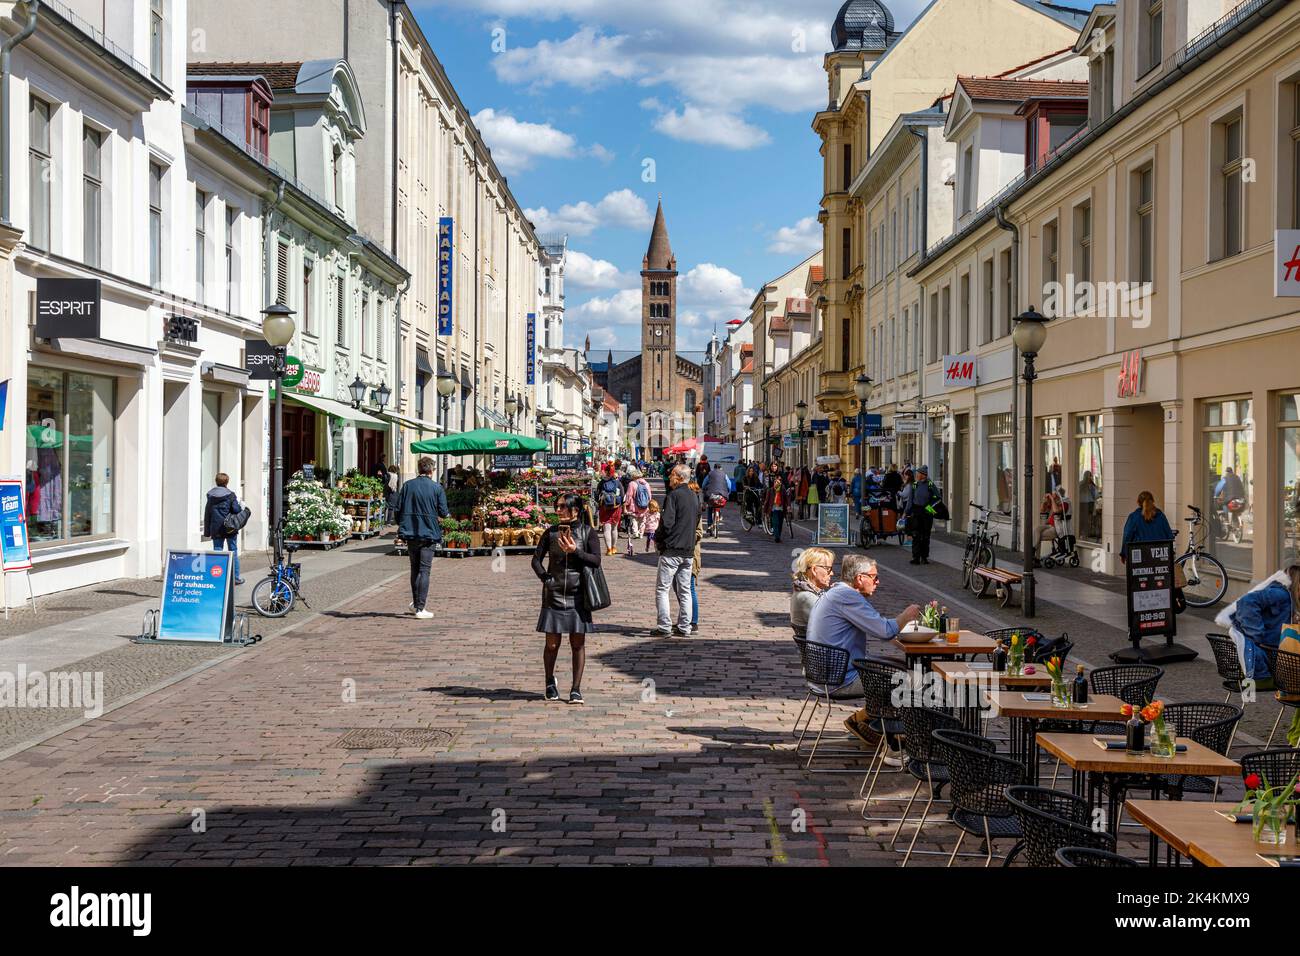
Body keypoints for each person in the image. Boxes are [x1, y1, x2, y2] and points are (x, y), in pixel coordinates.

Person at [805, 554, 921, 746]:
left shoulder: (837, 593)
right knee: (912, 683)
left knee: (895, 671)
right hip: (838, 679)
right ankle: (894, 748)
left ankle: (862, 720)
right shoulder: (847, 596)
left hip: (825, 674)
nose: (878, 581)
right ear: (860, 578)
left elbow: (877, 627)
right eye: (874, 577)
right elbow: (884, 630)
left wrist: (902, 644)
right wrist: (906, 616)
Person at [531, 494, 603, 704]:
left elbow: (596, 561)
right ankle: (549, 683)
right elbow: (536, 560)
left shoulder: (587, 532)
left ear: (575, 510)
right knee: (552, 644)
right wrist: (545, 578)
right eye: (557, 506)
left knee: (577, 643)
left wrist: (576, 551)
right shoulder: (551, 532)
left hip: (578, 594)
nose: (558, 510)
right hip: (553, 595)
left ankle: (576, 689)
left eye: (562, 506)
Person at [394, 456, 450, 619]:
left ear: (419, 469)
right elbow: (443, 511)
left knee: (414, 568)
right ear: (431, 470)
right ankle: (420, 607)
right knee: (424, 570)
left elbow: (397, 510)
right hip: (429, 533)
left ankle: (416, 603)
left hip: (411, 532)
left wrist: (403, 525)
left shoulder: (407, 486)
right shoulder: (436, 488)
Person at [1230, 565, 1300, 683]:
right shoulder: (1281, 594)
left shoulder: (1290, 600)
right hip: (1267, 657)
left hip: (1273, 655)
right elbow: (1246, 601)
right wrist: (1256, 634)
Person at [654, 464, 700, 636]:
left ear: (679, 477)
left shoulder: (673, 495)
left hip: (672, 549)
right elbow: (696, 522)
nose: (670, 476)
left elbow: (666, 523)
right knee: (685, 590)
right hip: (688, 550)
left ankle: (664, 627)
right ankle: (684, 626)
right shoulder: (695, 497)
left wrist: (658, 540)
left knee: (662, 589)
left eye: (672, 474)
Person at [203, 472, 246, 585]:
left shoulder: (210, 496)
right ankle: (236, 578)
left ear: (216, 481)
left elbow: (207, 514)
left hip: (216, 528)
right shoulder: (231, 495)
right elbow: (236, 510)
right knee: (233, 551)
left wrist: (207, 531)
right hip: (230, 528)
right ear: (227, 482)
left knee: (217, 551)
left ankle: (217, 578)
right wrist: (241, 506)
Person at [791, 547, 835, 638]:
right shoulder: (807, 597)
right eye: (828, 569)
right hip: (826, 648)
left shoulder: (808, 591)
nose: (832, 573)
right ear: (814, 570)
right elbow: (832, 625)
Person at [1120, 491, 1175, 561]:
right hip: (1160, 555)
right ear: (1153, 501)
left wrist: (1124, 553)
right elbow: (1169, 535)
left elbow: (1127, 536)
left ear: (1138, 503)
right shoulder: (1160, 515)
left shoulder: (1134, 517)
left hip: (1141, 555)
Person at [906, 465, 940, 564]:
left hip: (927, 510)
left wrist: (930, 508)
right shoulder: (915, 485)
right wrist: (906, 511)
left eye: (918, 473)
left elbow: (937, 497)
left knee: (925, 535)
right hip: (916, 510)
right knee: (916, 534)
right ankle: (916, 557)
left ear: (923, 475)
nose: (916, 475)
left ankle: (924, 557)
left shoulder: (930, 484)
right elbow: (910, 499)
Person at [594, 463, 624, 556]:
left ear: (606, 471)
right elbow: (622, 494)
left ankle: (609, 549)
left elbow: (596, 494)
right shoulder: (617, 482)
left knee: (606, 529)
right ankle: (614, 547)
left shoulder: (602, 482)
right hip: (616, 507)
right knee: (614, 529)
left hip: (605, 507)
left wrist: (599, 502)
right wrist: (620, 504)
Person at [1034, 486, 1068, 562]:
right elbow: (1042, 510)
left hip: (1057, 528)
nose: (1052, 495)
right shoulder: (1054, 502)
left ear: (1058, 495)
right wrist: (1044, 500)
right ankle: (1033, 552)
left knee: (1037, 536)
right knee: (1036, 529)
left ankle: (1035, 557)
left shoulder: (1064, 504)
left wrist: (1052, 499)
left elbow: (1056, 510)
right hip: (1049, 525)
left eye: (1054, 494)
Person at [624, 467, 652, 542]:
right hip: (645, 505)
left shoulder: (632, 484)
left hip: (634, 506)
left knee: (634, 520)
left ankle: (635, 533)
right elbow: (649, 495)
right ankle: (641, 533)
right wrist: (648, 503)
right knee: (643, 520)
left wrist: (626, 505)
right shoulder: (646, 484)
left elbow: (629, 496)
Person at [702, 462, 730, 531]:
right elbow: (729, 484)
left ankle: (709, 524)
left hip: (711, 495)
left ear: (713, 468)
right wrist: (728, 492)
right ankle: (719, 514)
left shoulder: (710, 473)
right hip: (721, 495)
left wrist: (704, 489)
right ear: (721, 468)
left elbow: (703, 484)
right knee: (719, 504)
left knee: (710, 507)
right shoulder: (724, 474)